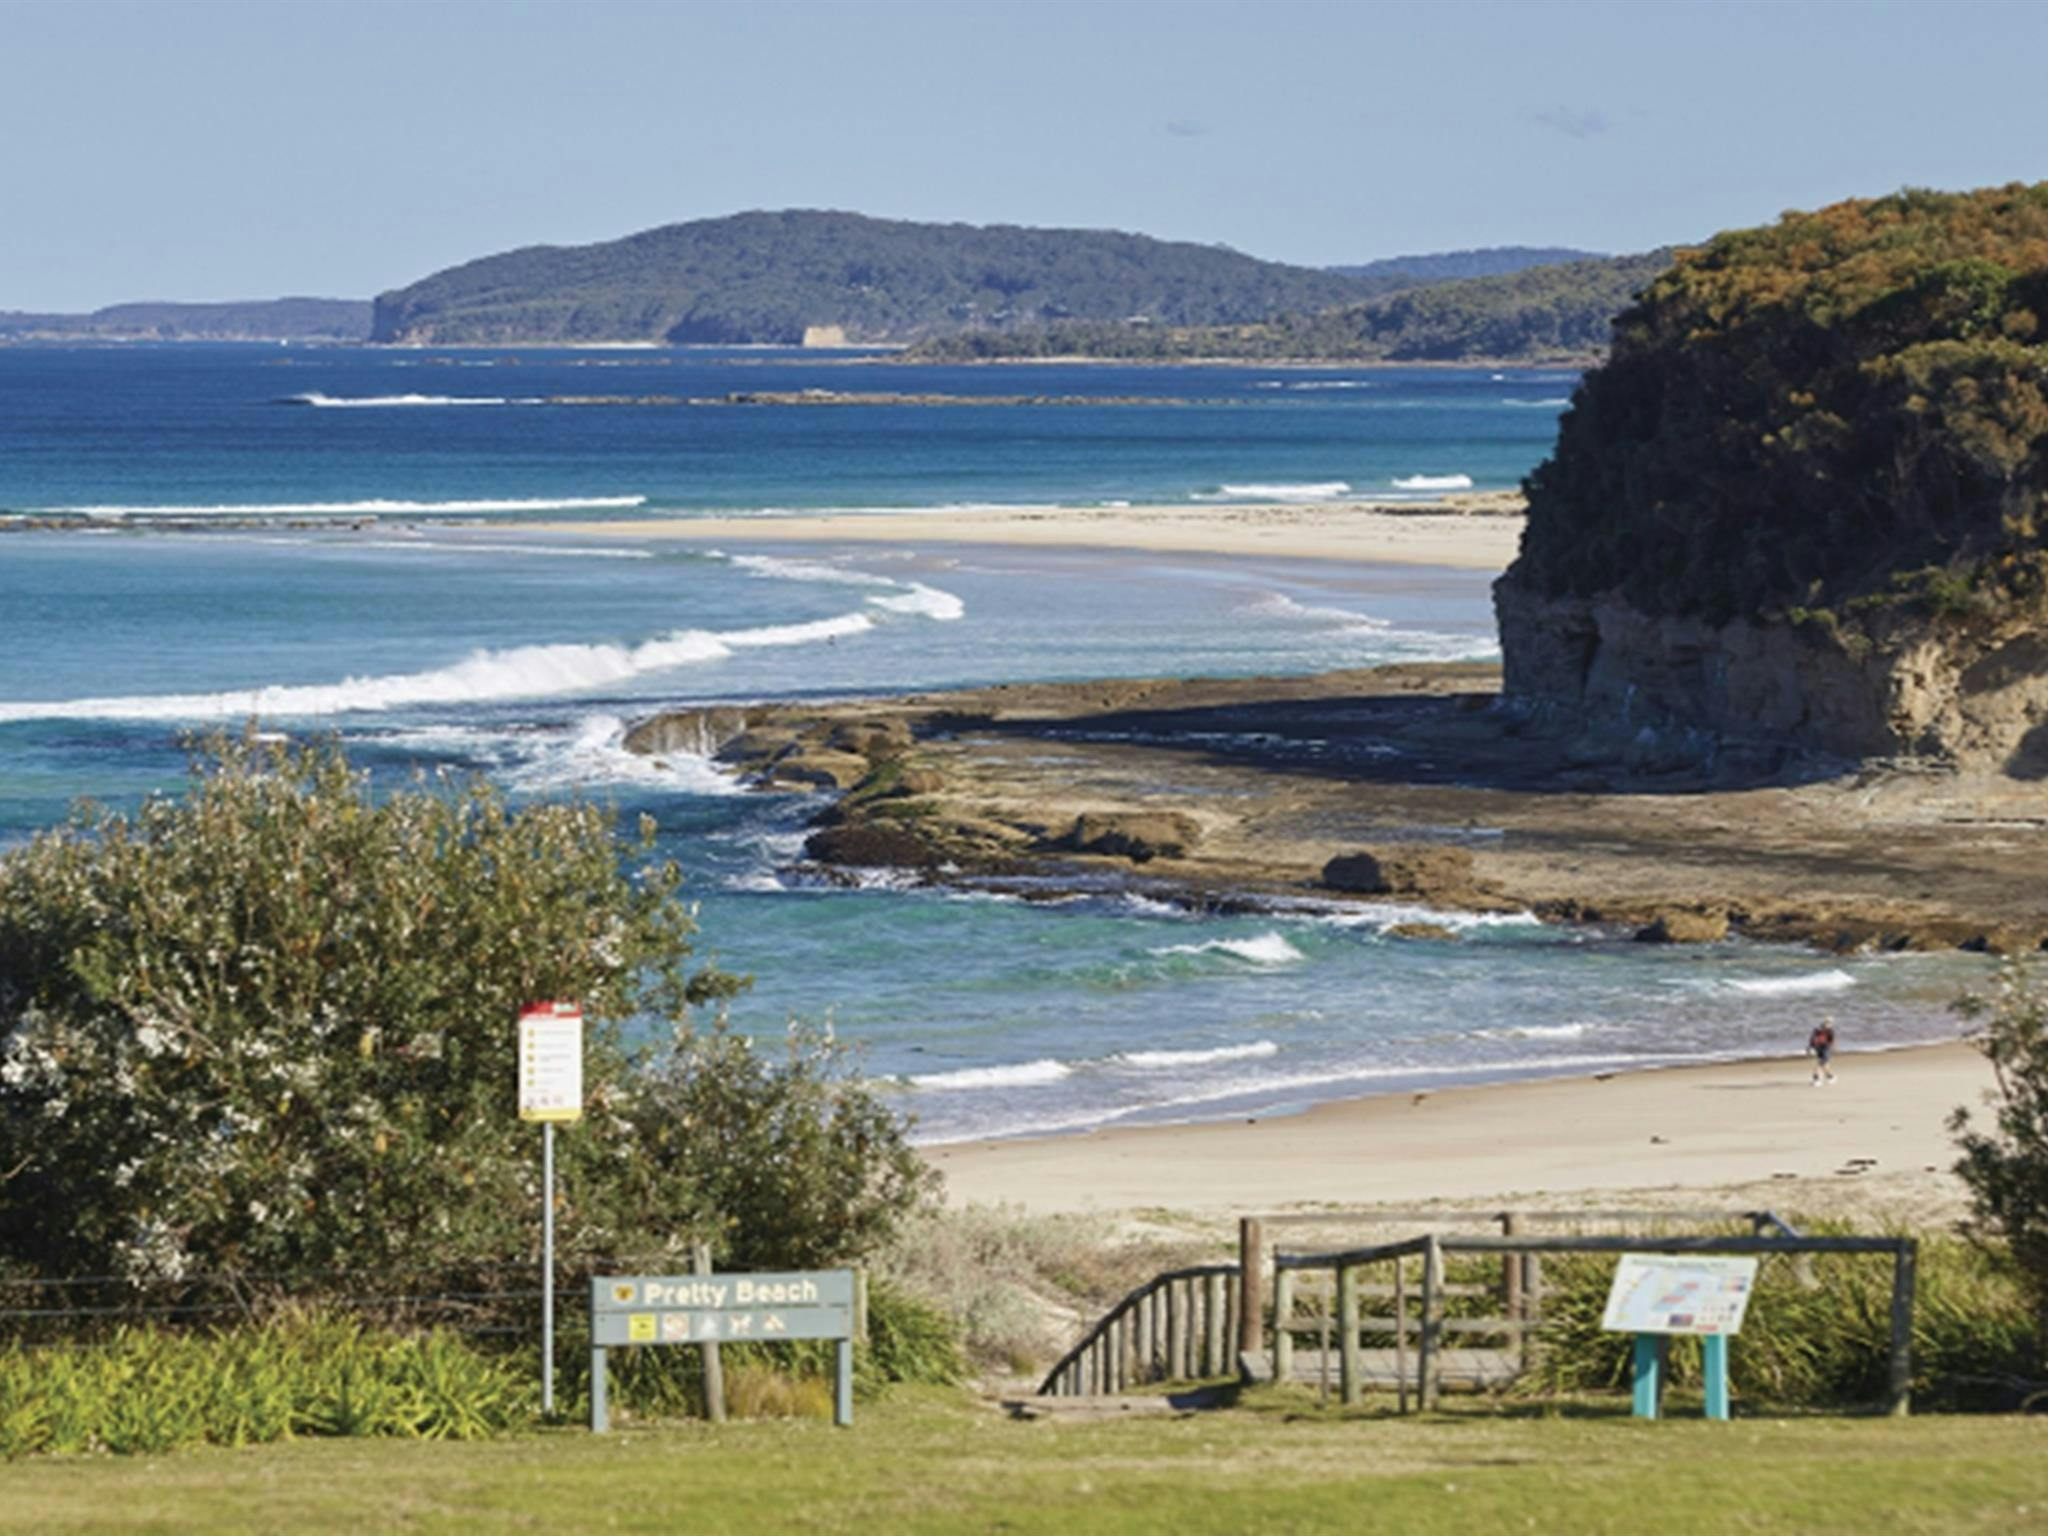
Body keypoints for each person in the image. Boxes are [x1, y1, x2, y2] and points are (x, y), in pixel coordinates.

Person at [1807, 1017, 1837, 1086]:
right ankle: (1818, 1079)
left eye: (1830, 1023)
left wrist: (1832, 1048)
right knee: (1821, 1064)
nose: (1829, 1024)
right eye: (1828, 1022)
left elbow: (1832, 1041)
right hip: (1820, 1048)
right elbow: (1812, 1039)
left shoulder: (1829, 1031)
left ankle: (1829, 1077)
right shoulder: (1818, 1030)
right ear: (1825, 1022)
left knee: (1823, 1063)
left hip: (1824, 1048)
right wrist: (1810, 1047)